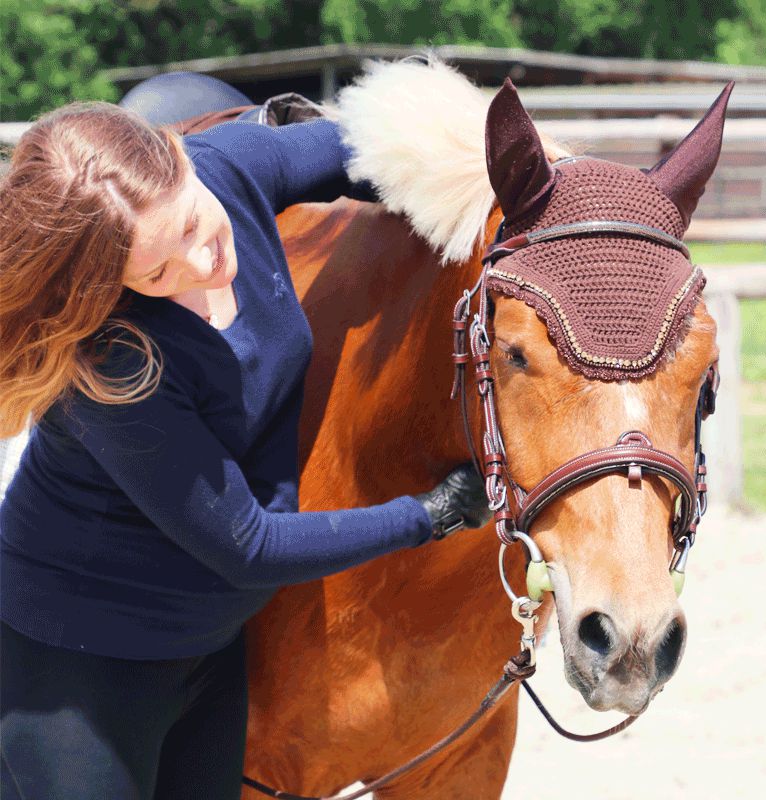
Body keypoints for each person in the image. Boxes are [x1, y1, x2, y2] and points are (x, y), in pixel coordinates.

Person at [0, 74, 490, 800]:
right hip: (78, 667)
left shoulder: (226, 168)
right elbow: (249, 546)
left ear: (182, 160)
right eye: (157, 270)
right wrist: (429, 515)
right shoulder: (116, 360)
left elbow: (372, 143)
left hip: (209, 650)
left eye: (194, 225)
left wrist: (494, 168)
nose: (201, 263)